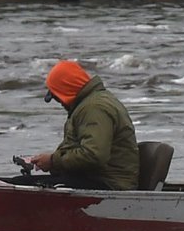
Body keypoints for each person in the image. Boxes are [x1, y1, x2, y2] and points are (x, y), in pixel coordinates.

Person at [25, 60, 139, 191]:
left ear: (66, 89)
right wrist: (53, 163)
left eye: (57, 97)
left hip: (108, 184)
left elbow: (93, 155)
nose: (59, 103)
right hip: (95, 178)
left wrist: (52, 161)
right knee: (21, 182)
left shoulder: (95, 108)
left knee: (27, 185)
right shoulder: (90, 104)